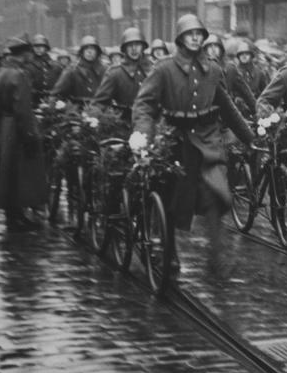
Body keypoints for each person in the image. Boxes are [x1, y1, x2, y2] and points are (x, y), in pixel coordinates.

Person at [131, 14, 254, 276]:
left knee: (216, 196)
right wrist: (144, 133)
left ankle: (216, 257)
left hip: (208, 141)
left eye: (199, 33)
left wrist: (250, 137)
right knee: (171, 198)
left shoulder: (213, 70)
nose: (196, 38)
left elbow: (227, 107)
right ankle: (168, 250)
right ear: (180, 38)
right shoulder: (163, 68)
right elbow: (144, 104)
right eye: (190, 34)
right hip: (175, 140)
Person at [0, 35, 47, 232]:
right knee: (22, 174)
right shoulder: (20, 75)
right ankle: (19, 215)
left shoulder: (2, 72)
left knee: (8, 172)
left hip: (6, 126)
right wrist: (30, 135)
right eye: (29, 53)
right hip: (17, 127)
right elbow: (23, 108)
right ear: (24, 54)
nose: (31, 56)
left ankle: (12, 214)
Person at [93, 27, 150, 122]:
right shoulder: (115, 72)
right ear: (124, 49)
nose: (134, 49)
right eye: (130, 45)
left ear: (143, 47)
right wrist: (92, 118)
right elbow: (100, 102)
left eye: (137, 45)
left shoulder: (152, 70)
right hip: (123, 123)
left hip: (151, 123)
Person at [203, 34, 257, 120]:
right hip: (205, 117)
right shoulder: (200, 69)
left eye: (216, 46)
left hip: (226, 117)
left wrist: (259, 112)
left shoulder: (230, 69)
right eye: (210, 46)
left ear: (221, 49)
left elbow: (247, 94)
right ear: (205, 50)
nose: (213, 49)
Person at [51, 35, 106, 104]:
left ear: (97, 51)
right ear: (82, 52)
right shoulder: (72, 70)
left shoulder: (104, 70)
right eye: (86, 49)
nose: (89, 52)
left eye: (92, 49)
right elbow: (57, 93)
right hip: (76, 110)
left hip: (100, 110)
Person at [27, 34, 57, 104]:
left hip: (51, 100)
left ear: (46, 48)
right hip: (33, 100)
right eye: (36, 46)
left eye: (41, 46)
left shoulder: (53, 64)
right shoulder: (28, 64)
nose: (38, 48)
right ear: (32, 48)